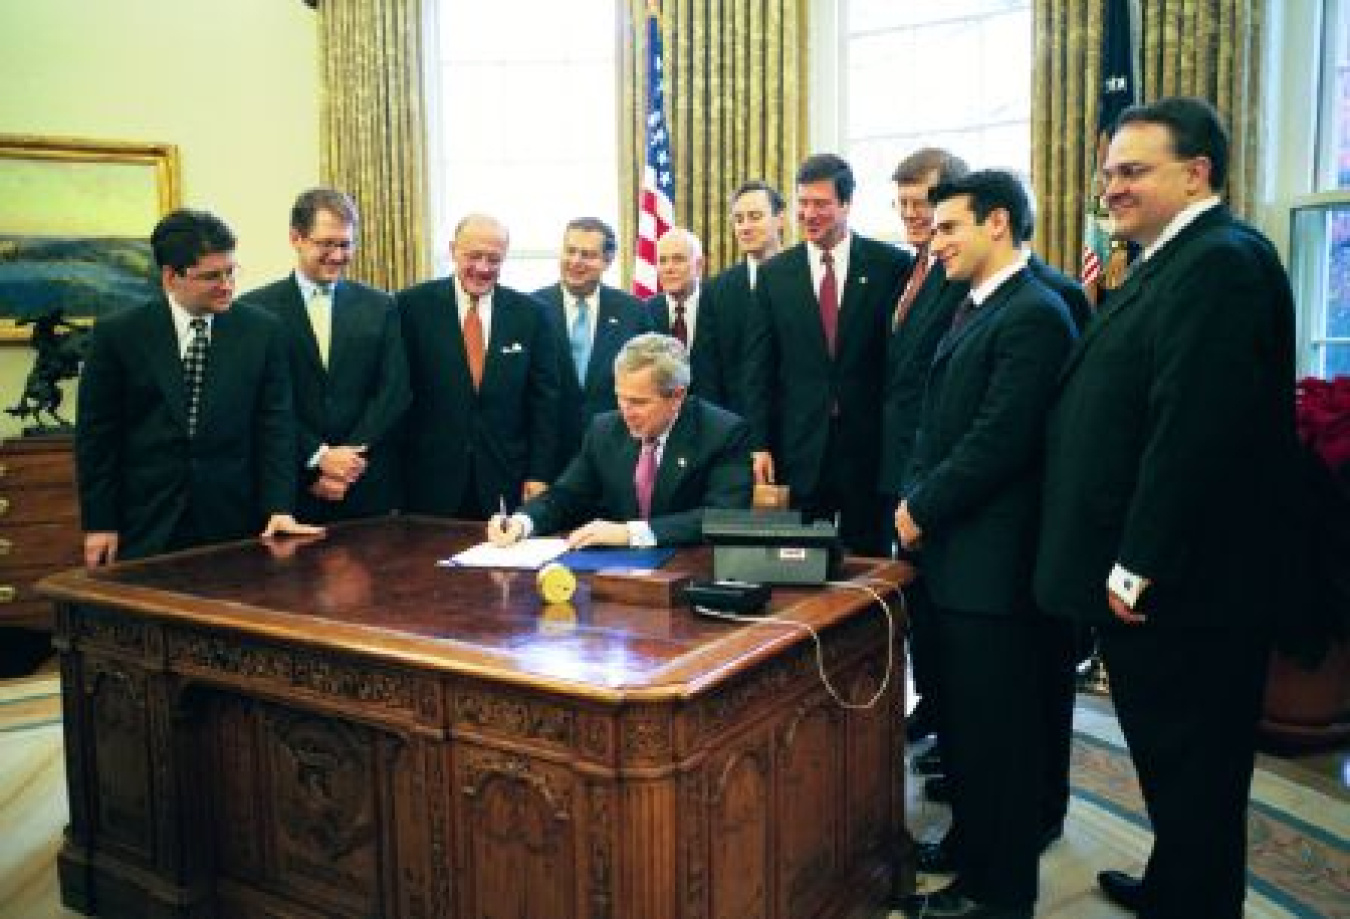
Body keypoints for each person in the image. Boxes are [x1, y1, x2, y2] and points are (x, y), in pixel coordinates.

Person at [1035, 96, 1297, 919]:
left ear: (1197, 173)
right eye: (1109, 171)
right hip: (1168, 587)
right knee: (1176, 769)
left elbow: (1194, 430)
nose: (1111, 187)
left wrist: (1135, 566)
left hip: (1188, 590)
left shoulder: (1222, 262)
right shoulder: (1166, 260)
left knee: (1197, 769)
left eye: (1133, 171)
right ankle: (1178, 885)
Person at [894, 171, 1077, 919]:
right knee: (966, 727)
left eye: (947, 228)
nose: (934, 243)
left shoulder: (1035, 311)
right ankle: (971, 847)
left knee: (1000, 741)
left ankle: (998, 895)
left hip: (995, 567)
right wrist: (910, 498)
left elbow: (1000, 439)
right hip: (953, 558)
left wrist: (921, 508)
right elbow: (933, 423)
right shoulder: (976, 305)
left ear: (997, 222)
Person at [76, 208, 321, 565]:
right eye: (211, 276)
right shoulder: (119, 334)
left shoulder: (263, 332)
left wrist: (279, 506)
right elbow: (97, 438)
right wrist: (100, 524)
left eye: (231, 272)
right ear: (171, 277)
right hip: (146, 522)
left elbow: (276, 427)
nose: (227, 285)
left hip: (235, 523)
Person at [743, 153, 911, 555]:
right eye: (802, 203)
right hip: (798, 447)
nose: (808, 213)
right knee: (797, 564)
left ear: (846, 204)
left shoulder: (891, 265)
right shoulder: (774, 275)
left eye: (820, 204)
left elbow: (899, 361)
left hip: (868, 447)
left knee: (869, 562)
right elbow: (758, 368)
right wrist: (759, 443)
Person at [876, 148, 970, 769]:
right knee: (922, 612)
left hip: (934, 475)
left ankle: (952, 725)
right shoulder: (912, 268)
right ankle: (935, 709)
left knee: (944, 617)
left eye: (923, 203)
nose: (912, 214)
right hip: (900, 467)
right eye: (904, 203)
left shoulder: (957, 275)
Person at [236, 188, 410, 522]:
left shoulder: (381, 306)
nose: (337, 255)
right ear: (296, 238)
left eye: (345, 244)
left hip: (366, 488)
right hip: (291, 489)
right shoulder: (255, 310)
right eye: (326, 243)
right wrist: (318, 457)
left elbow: (394, 391)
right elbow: (259, 401)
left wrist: (346, 462)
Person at [487, 333, 752, 548]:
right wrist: (522, 522)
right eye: (620, 397)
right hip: (617, 577)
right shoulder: (604, 429)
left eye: (638, 402)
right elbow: (566, 496)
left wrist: (631, 533)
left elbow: (722, 517)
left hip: (687, 573)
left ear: (677, 396)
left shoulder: (723, 432)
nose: (626, 411)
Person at [397, 213, 560, 519]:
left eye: (494, 259)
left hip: (505, 479)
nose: (483, 268)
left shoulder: (531, 315)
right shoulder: (410, 307)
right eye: (473, 256)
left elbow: (544, 403)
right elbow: (396, 394)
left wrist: (539, 475)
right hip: (428, 482)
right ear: (453, 250)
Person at [533, 217, 652, 478]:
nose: (576, 261)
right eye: (570, 251)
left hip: (619, 456)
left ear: (607, 261)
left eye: (587, 254)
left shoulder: (634, 311)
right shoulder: (532, 308)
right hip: (549, 459)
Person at [702, 180, 786, 416]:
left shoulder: (803, 278)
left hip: (795, 427)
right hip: (736, 426)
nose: (745, 227)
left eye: (755, 216)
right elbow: (709, 372)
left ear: (780, 219)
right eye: (738, 219)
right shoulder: (715, 290)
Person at [644, 228, 728, 407]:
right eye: (662, 261)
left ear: (699, 265)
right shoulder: (644, 311)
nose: (669, 268)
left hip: (715, 418)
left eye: (678, 259)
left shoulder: (722, 307)